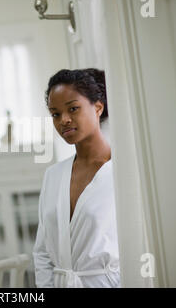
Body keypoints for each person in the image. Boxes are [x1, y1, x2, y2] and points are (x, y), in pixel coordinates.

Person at [32, 68, 120, 288]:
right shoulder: (53, 175)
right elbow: (42, 252)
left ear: (98, 107)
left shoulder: (121, 172)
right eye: (55, 114)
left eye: (73, 108)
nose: (64, 120)